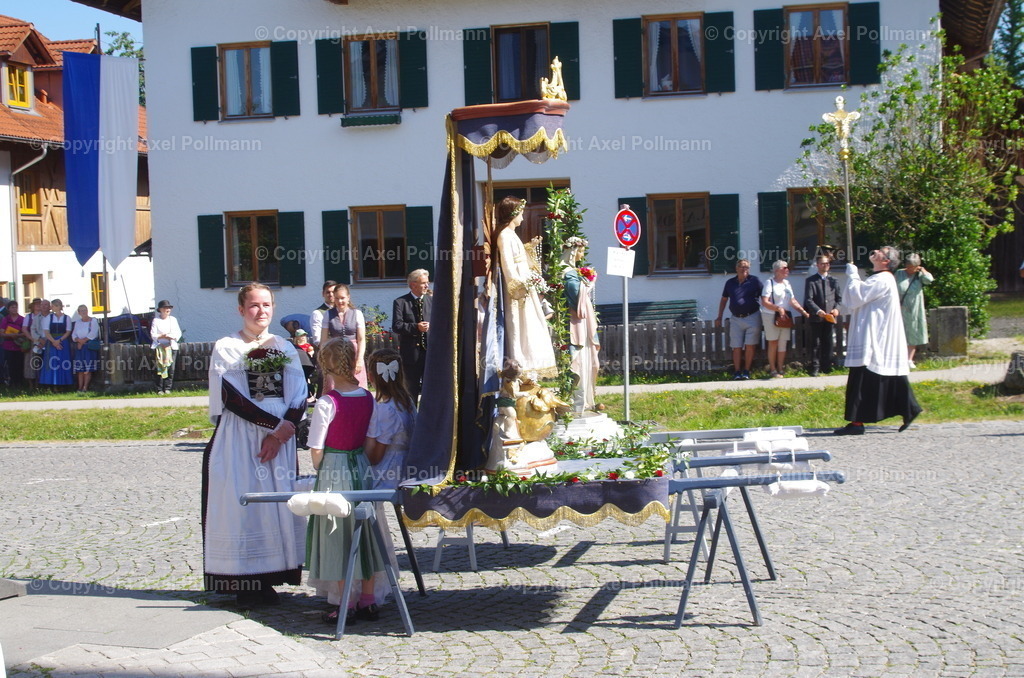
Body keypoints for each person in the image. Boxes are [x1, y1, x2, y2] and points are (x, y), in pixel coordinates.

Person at [202, 284, 307, 607]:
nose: (261, 311)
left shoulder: (286, 347)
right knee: (241, 505)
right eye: (253, 306)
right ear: (241, 310)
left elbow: (299, 392)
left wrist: (280, 434)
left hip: (280, 441)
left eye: (266, 305)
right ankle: (243, 580)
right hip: (241, 438)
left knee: (275, 504)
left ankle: (271, 576)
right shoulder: (227, 347)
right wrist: (273, 427)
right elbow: (231, 396)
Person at [305, 337, 385, 625]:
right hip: (360, 466)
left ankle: (344, 602)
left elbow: (316, 448)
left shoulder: (327, 403)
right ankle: (368, 598)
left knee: (336, 532)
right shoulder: (367, 398)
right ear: (353, 363)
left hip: (334, 467)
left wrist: (322, 470)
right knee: (364, 530)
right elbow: (371, 438)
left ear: (325, 366)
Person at [834, 246, 922, 435]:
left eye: (881, 251)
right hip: (869, 332)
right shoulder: (878, 279)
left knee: (865, 377)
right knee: (884, 377)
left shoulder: (883, 279)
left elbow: (857, 297)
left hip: (874, 336)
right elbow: (853, 301)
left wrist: (853, 276)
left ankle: (857, 423)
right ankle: (910, 408)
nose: (875, 251)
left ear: (886, 261)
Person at [493, 196, 557, 378]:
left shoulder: (511, 234)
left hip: (525, 290)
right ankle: (521, 370)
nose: (522, 216)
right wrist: (519, 287)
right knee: (521, 329)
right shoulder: (505, 235)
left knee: (531, 328)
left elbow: (519, 258)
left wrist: (529, 248)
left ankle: (530, 371)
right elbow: (508, 265)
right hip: (518, 295)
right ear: (513, 214)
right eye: (520, 212)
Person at [364, 348, 417, 489]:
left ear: (370, 377)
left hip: (389, 471)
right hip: (408, 465)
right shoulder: (407, 402)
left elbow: (375, 457)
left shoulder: (386, 410)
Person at [561, 237, 600, 411]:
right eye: (581, 250)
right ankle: (578, 404)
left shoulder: (572, 272)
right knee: (579, 360)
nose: (582, 254)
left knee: (587, 360)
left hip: (582, 323)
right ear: (573, 251)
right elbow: (578, 299)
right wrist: (590, 283)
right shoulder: (568, 273)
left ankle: (585, 401)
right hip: (577, 323)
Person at [760, 261, 810, 378]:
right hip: (771, 315)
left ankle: (780, 368)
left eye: (788, 268)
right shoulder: (769, 283)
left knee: (783, 342)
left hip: (785, 316)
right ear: (777, 270)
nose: (787, 270)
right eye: (785, 268)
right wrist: (778, 308)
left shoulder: (787, 284)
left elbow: (792, 300)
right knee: (773, 342)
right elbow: (765, 302)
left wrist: (803, 311)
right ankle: (772, 369)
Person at [716, 259, 763, 380]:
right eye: (742, 267)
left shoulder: (755, 281)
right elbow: (724, 300)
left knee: (750, 345)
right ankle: (737, 372)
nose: (744, 269)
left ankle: (746, 371)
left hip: (752, 316)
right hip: (736, 318)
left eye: (747, 267)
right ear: (736, 268)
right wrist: (719, 316)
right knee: (736, 346)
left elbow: (765, 297)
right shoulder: (730, 283)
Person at [392, 269, 431, 401]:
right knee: (410, 391)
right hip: (410, 354)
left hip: (429, 354)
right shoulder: (401, 302)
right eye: (423, 283)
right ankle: (411, 418)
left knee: (429, 390)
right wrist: (416, 327)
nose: (427, 286)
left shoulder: (432, 302)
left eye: (427, 282)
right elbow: (397, 325)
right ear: (413, 285)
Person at [320, 283, 366, 390]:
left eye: (342, 298)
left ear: (348, 297)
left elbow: (361, 339)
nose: (340, 301)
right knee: (335, 387)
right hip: (335, 354)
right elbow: (323, 340)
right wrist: (324, 360)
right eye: (337, 298)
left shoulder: (357, 313)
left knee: (356, 385)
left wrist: (359, 359)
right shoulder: (328, 314)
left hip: (353, 353)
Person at [803, 255, 843, 376]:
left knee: (828, 342)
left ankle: (826, 366)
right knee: (815, 342)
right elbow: (808, 300)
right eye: (823, 263)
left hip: (830, 316)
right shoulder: (811, 280)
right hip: (817, 317)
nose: (825, 265)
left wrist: (836, 309)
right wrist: (818, 311)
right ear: (817, 265)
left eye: (827, 263)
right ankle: (815, 366)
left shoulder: (833, 280)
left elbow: (839, 299)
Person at [895, 253, 934, 368]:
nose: (910, 269)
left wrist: (923, 270)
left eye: (912, 266)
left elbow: (929, 280)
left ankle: (909, 360)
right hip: (900, 308)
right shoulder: (899, 273)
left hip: (915, 309)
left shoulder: (920, 275)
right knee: (899, 333)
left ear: (918, 266)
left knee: (913, 333)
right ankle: (899, 359)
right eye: (908, 266)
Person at [151, 300, 183, 394]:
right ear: (160, 309)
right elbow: (153, 334)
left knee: (170, 368)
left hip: (171, 346)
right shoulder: (156, 320)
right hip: (159, 347)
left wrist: (171, 337)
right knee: (160, 368)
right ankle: (159, 389)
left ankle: (168, 388)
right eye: (165, 308)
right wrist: (162, 336)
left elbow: (178, 333)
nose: (167, 309)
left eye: (169, 308)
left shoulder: (173, 320)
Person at [39, 299, 73, 389]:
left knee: (62, 362)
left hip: (63, 342)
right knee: (52, 363)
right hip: (51, 341)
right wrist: (54, 341)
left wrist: (59, 340)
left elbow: (68, 331)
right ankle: (51, 383)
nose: (51, 307)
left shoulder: (67, 318)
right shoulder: (48, 318)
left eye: (53, 306)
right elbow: (46, 332)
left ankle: (63, 384)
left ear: (58, 306)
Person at [71, 304, 99, 394]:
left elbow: (93, 334)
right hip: (80, 347)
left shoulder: (93, 321)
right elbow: (74, 334)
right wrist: (78, 340)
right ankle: (79, 387)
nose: (84, 312)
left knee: (87, 369)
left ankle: (85, 387)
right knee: (80, 369)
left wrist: (82, 341)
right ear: (79, 313)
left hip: (88, 346)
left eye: (85, 310)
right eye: (82, 310)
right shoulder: (78, 322)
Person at [23, 299, 47, 389]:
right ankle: (31, 384)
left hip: (44, 342)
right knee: (31, 363)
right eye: (36, 304)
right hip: (32, 341)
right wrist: (33, 339)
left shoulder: (45, 316)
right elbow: (24, 329)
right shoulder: (29, 317)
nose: (38, 306)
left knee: (42, 362)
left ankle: (40, 383)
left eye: (39, 304)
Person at [1, 300, 25, 387]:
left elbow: (25, 332)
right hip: (8, 345)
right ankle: (11, 383)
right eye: (12, 307)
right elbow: (2, 333)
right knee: (10, 365)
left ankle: (19, 383)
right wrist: (11, 335)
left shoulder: (22, 319)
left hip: (18, 346)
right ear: (8, 309)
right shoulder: (5, 319)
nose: (14, 309)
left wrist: (17, 335)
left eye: (16, 307)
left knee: (19, 365)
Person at [309, 281, 337, 347]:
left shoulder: (342, 310)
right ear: (323, 294)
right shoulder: (317, 313)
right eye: (328, 292)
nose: (331, 294)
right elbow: (317, 339)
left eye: (333, 292)